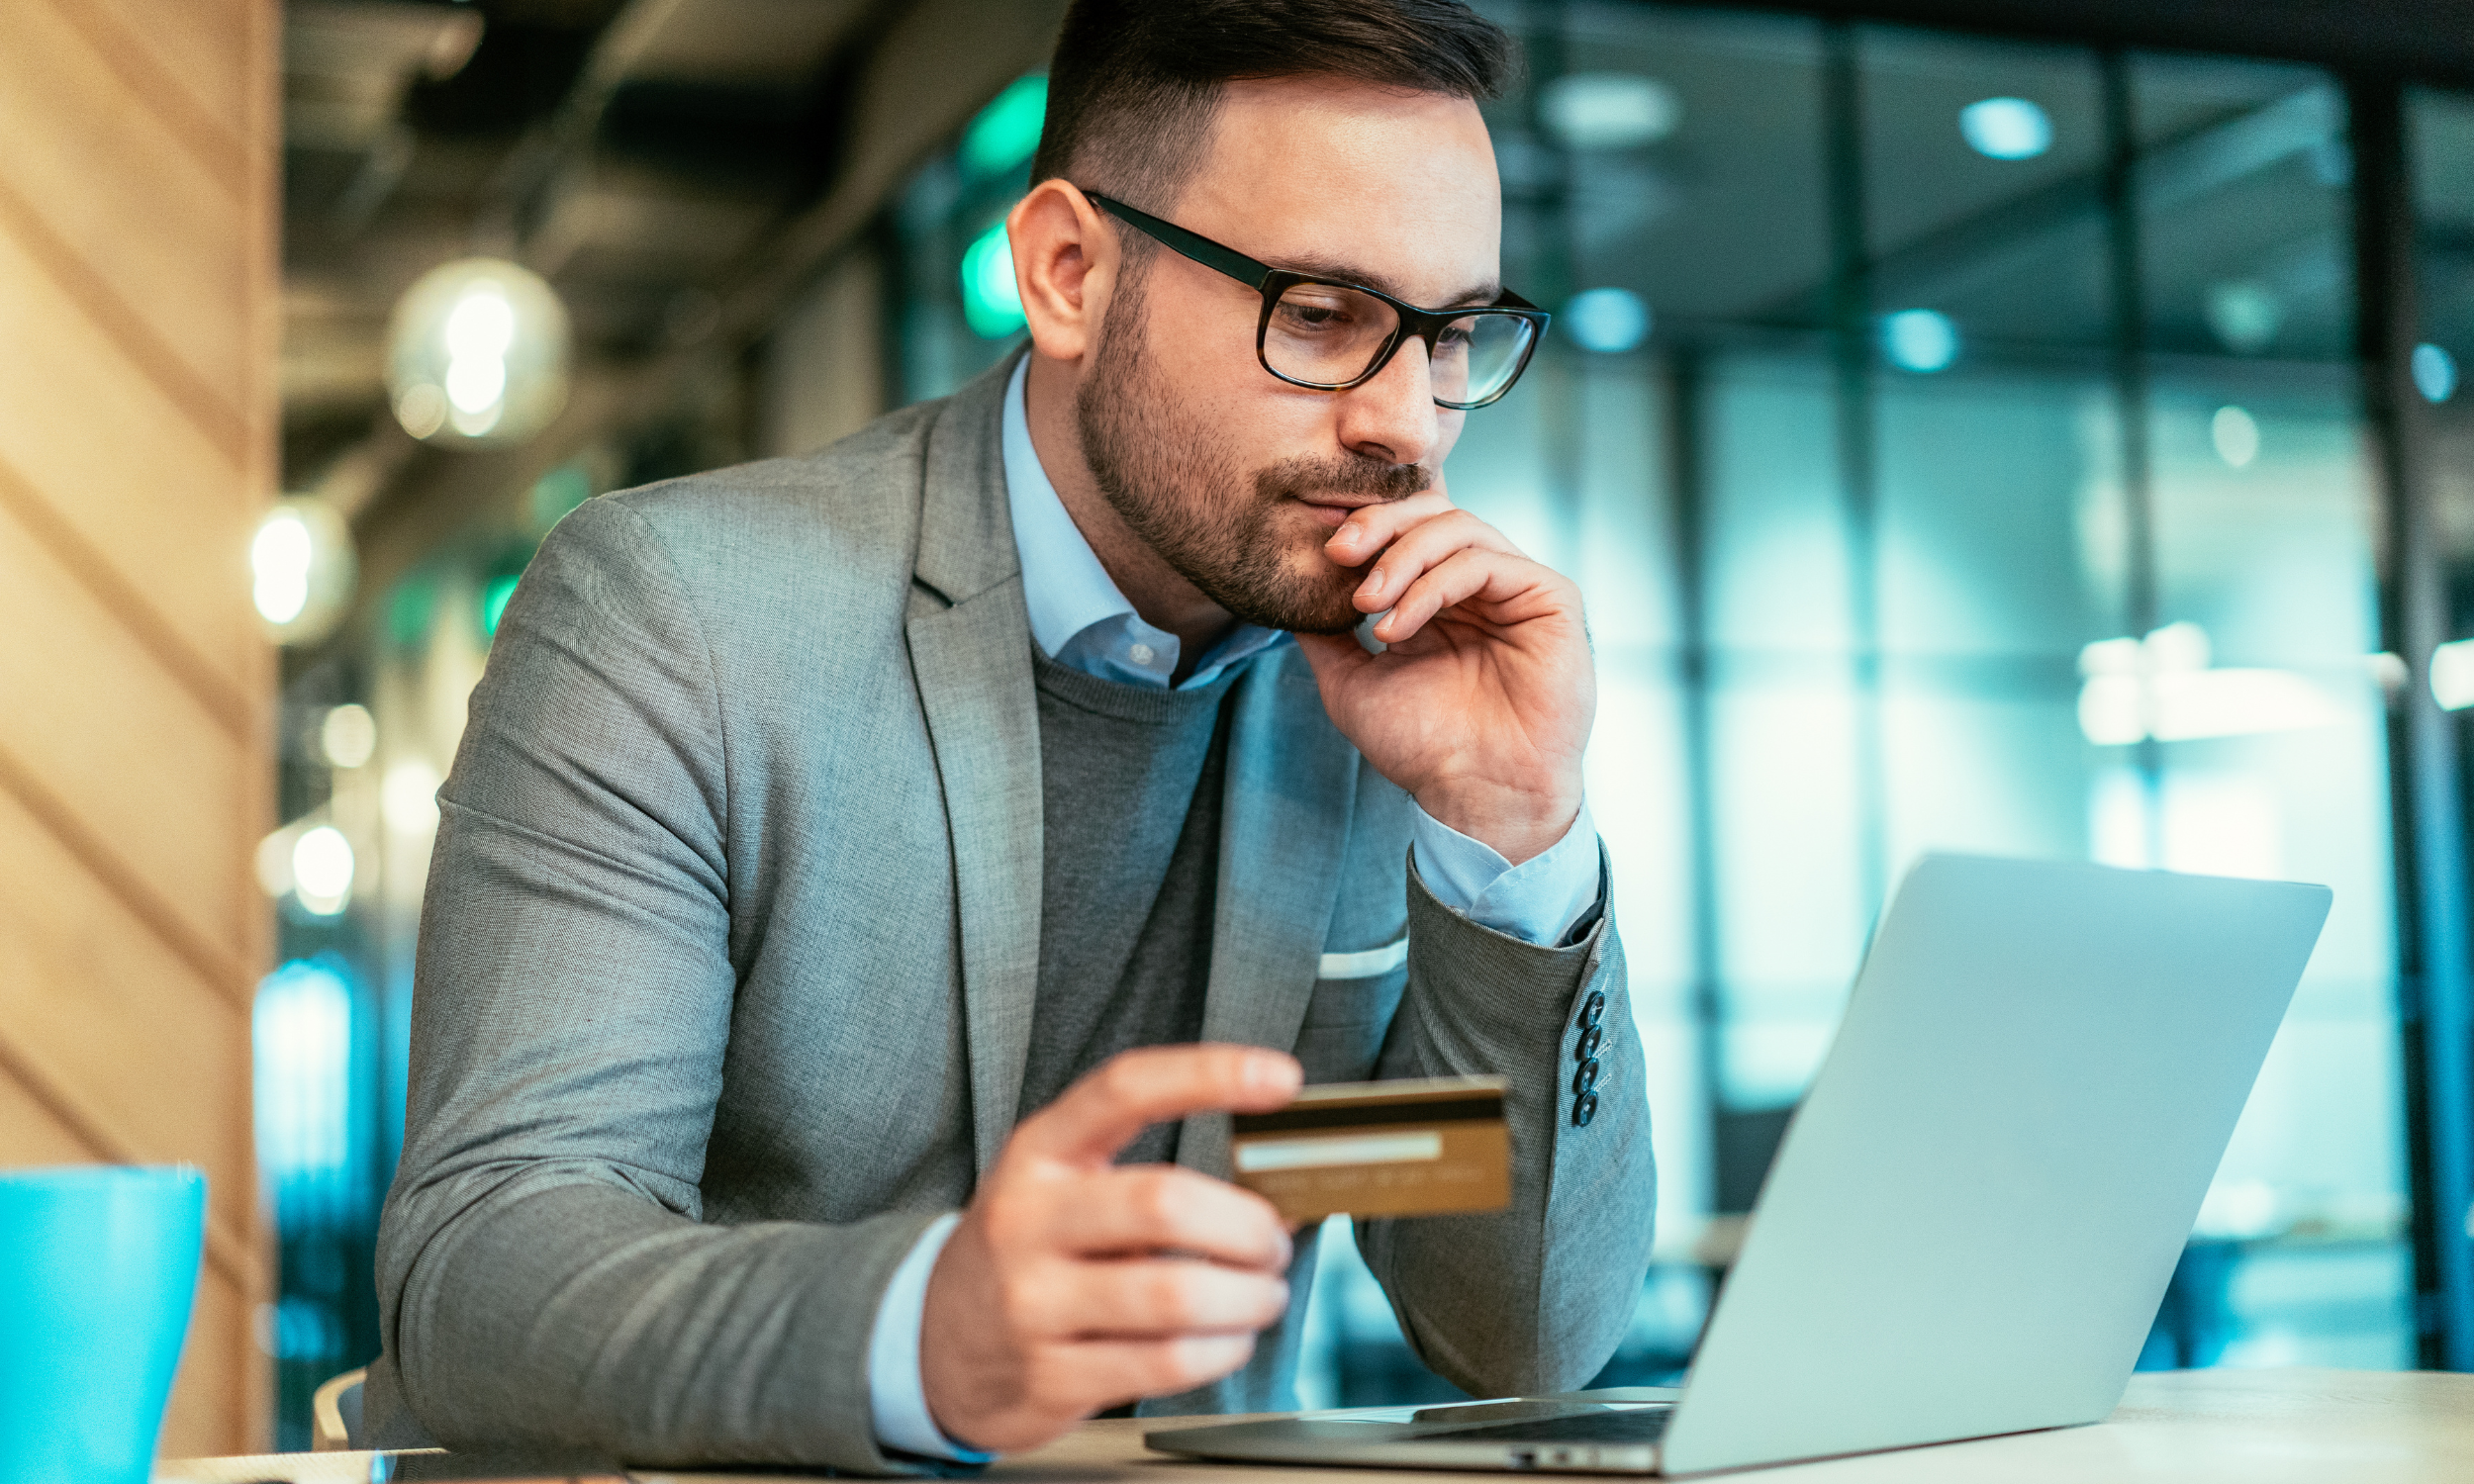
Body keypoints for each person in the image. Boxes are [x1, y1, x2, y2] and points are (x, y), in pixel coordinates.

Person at [364, 0, 1656, 1469]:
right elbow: (483, 1269)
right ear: (1066, 273)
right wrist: (922, 1333)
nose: (1410, 426)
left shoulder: (1394, 688)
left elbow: (1524, 1336)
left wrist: (1513, 829)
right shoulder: (677, 616)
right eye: (1319, 316)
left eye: (1454, 336)